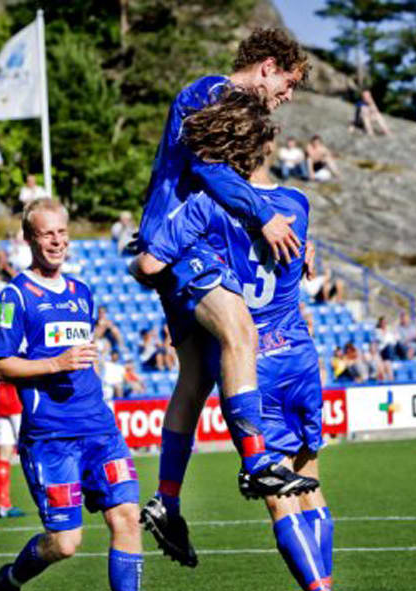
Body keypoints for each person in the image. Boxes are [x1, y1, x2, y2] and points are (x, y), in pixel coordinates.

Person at [135, 105, 359, 591]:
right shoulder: (297, 204)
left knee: (280, 497)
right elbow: (297, 259)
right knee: (311, 482)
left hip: (253, 368)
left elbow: (149, 266)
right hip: (301, 356)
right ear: (266, 148)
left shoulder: (205, 204)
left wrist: (161, 264)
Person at [131, 28, 316, 517]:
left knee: (195, 378)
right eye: (288, 83)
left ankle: (168, 500)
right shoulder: (212, 91)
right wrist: (266, 215)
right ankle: (256, 462)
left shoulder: (231, 106)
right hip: (181, 244)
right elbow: (211, 171)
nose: (288, 96)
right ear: (268, 67)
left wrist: (298, 237)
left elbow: (225, 185)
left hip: (186, 243)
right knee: (241, 334)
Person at [0, 198, 162, 591]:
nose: (57, 241)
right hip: (51, 438)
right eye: (47, 233)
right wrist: (55, 363)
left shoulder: (82, 292)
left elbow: (82, 359)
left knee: (127, 517)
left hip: (100, 430)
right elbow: (0, 365)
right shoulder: (14, 297)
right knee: (65, 543)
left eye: (62, 232)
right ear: (29, 239)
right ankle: (10, 579)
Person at [0, 381, 25, 519]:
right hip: (17, 399)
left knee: (4, 453)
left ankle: (4, 505)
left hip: (1, 400)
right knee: (31, 449)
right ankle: (47, 499)